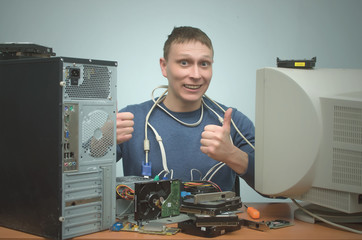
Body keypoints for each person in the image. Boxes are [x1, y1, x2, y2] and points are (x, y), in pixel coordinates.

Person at [116, 26, 255, 191]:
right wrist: (102, 144)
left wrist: (232, 155)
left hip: (217, 218)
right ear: (164, 66)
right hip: (145, 217)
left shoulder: (232, 121)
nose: (196, 75)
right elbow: (81, 183)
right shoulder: (130, 120)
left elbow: (278, 190)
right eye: (184, 63)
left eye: (204, 64)